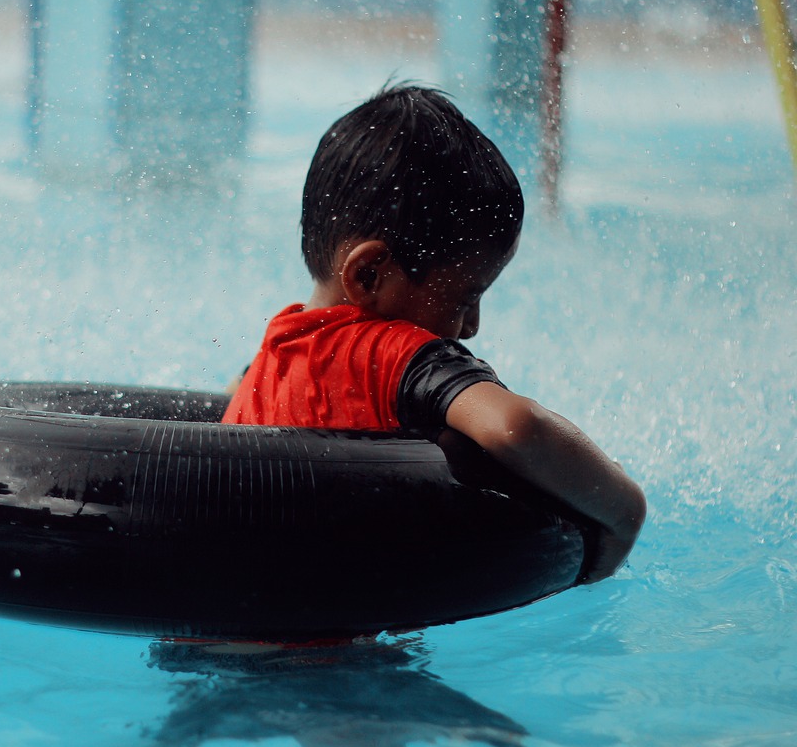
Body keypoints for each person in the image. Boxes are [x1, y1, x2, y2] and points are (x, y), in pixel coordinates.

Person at [222, 83, 645, 583]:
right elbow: (516, 428)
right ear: (370, 275)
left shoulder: (272, 351)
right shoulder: (392, 352)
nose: (472, 325)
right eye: (465, 297)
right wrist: (623, 513)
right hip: (325, 652)